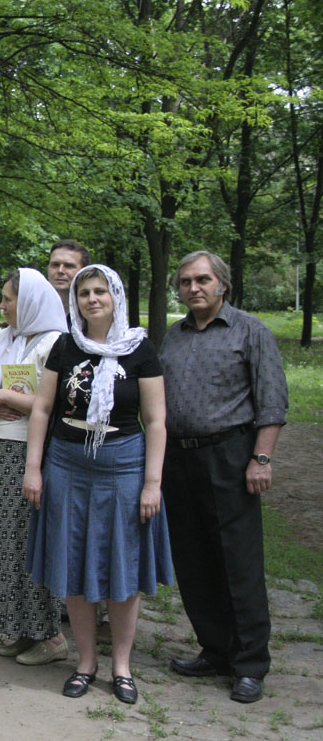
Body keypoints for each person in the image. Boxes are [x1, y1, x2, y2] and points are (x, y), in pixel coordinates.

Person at [23, 264, 173, 705]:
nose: (92, 299)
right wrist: (34, 469)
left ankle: (121, 666)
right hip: (66, 464)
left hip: (123, 464)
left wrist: (152, 483)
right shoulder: (66, 346)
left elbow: (157, 420)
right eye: (84, 293)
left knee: (122, 566)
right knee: (72, 562)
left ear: (116, 297)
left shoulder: (140, 349)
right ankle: (85, 662)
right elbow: (41, 409)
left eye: (100, 292)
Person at [159, 251, 287, 704]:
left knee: (238, 562)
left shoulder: (251, 331)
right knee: (193, 561)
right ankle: (215, 649)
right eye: (185, 281)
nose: (193, 288)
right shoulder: (173, 336)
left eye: (202, 280)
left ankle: (250, 663)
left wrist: (261, 459)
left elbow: (272, 402)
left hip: (230, 456)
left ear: (222, 285)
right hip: (178, 459)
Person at [0, 268, 68, 661]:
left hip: (33, 451)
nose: (1, 305)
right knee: (3, 540)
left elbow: (58, 404)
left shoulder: (55, 344)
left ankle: (50, 636)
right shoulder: (5, 337)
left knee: (29, 538)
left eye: (8, 299)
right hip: (0, 445)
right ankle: (16, 626)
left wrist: (6, 398)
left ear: (29, 302)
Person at [46, 239, 90, 309]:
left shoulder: (92, 308)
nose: (60, 271)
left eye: (69, 266)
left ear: (83, 271)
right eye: (55, 265)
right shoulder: (32, 306)